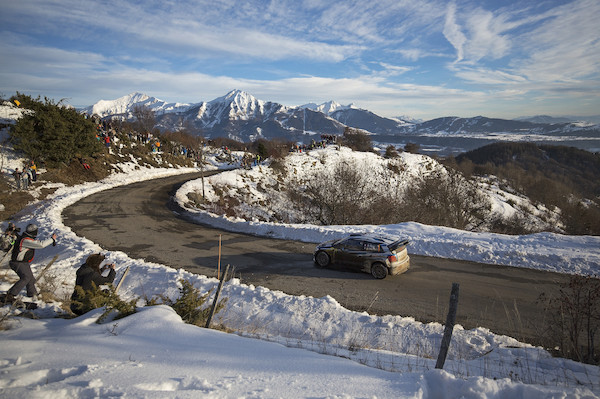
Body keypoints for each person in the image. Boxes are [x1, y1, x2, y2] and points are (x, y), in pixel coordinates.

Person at [4, 223, 57, 303]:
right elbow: (41, 245)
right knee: (25, 277)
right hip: (18, 263)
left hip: (22, 262)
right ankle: (10, 294)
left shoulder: (25, 238)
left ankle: (32, 295)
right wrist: (52, 239)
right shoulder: (26, 240)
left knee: (31, 279)